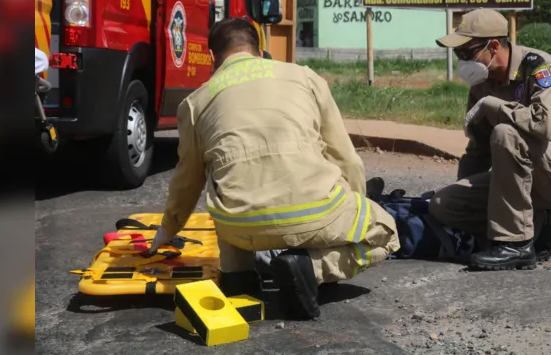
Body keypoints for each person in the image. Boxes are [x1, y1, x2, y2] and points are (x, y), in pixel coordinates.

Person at [150, 17, 400, 319]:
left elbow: (187, 181)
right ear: (259, 49)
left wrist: (168, 230)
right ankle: (313, 268)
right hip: (313, 216)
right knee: (386, 231)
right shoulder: (304, 78)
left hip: (238, 228)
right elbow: (346, 158)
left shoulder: (195, 102)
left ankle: (237, 273)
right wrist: (354, 205)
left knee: (224, 184)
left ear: (213, 57)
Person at [429, 9, 551, 271]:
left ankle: (516, 245)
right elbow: (477, 151)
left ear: (494, 46)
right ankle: (539, 223)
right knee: (443, 205)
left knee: (506, 133)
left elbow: (544, 127)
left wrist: (496, 108)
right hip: (523, 178)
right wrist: (465, 189)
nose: (462, 61)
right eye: (457, 54)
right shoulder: (482, 86)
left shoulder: (539, 67)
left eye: (467, 52)